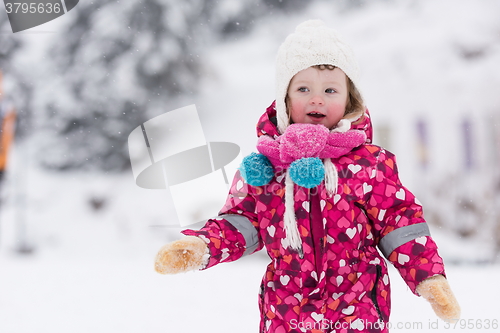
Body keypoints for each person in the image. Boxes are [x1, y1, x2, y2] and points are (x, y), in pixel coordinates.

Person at [154, 20, 460, 333]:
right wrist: (203, 246)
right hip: (287, 310)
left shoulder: (370, 164)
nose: (317, 99)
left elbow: (399, 222)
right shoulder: (265, 169)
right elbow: (240, 224)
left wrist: (428, 277)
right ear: (285, 100)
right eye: (303, 89)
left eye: (330, 90)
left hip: (357, 309)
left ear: (349, 100)